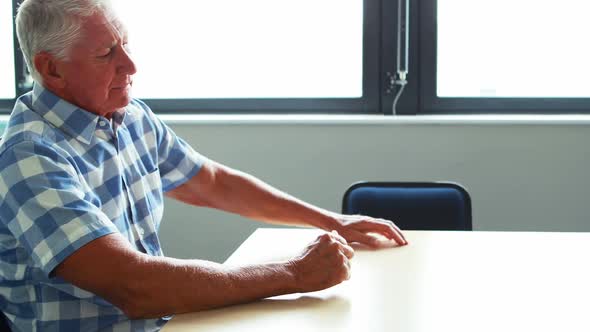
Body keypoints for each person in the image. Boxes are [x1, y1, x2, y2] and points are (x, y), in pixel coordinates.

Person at [0, 0, 408, 331]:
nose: (130, 65)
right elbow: (135, 286)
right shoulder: (28, 155)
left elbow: (211, 182)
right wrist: (293, 274)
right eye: (107, 53)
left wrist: (331, 221)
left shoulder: (129, 117)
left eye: (125, 44)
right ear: (51, 68)